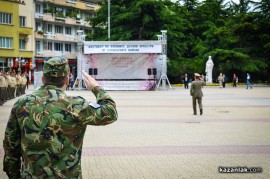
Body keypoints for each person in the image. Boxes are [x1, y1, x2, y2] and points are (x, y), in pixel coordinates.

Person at [3, 57, 118, 178]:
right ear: (67, 79)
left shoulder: (21, 104)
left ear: (43, 79)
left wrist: (14, 175)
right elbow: (111, 113)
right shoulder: (76, 105)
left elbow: (11, 147)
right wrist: (96, 88)